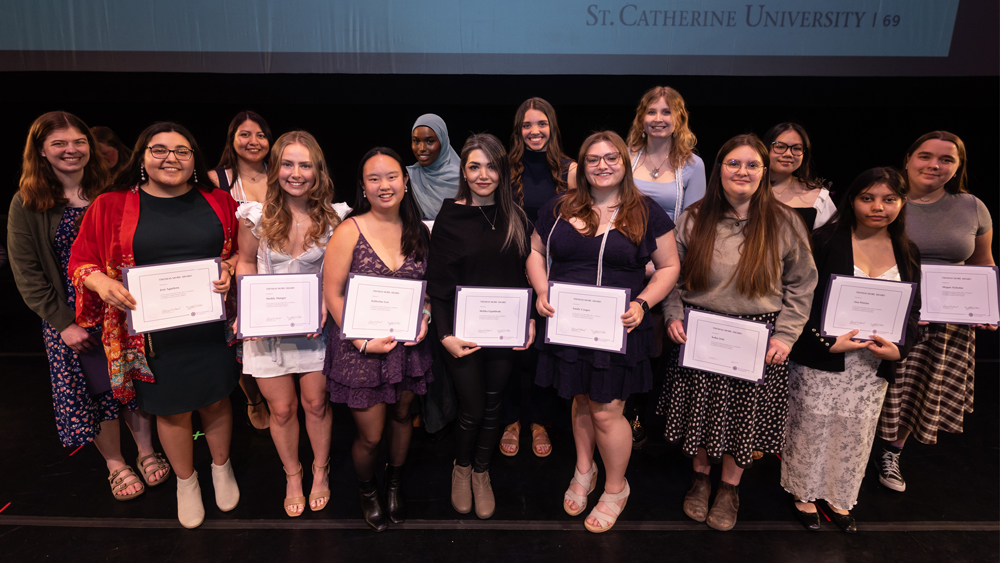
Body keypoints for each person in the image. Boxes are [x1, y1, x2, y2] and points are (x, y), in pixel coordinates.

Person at [69, 122, 241, 529]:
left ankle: (221, 467)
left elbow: (237, 252)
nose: (171, 159)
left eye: (182, 151)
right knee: (171, 409)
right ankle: (187, 481)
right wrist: (102, 282)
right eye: (159, 150)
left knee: (217, 399)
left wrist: (231, 270)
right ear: (142, 157)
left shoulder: (218, 200)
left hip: (208, 327)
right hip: (149, 334)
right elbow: (81, 262)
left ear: (194, 159)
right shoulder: (111, 204)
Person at [657, 133, 817, 532]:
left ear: (764, 172)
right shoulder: (694, 217)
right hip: (699, 332)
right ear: (720, 170)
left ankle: (729, 488)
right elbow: (670, 273)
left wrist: (786, 335)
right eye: (733, 164)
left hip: (758, 338)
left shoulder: (785, 222)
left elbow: (802, 284)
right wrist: (673, 314)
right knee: (702, 415)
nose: (742, 172)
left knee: (742, 420)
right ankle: (700, 478)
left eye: (751, 165)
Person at [9, 111, 170, 502]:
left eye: (78, 141)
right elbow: (27, 272)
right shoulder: (27, 202)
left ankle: (147, 451)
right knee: (94, 390)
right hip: (71, 316)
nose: (71, 150)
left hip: (122, 307)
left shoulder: (114, 188)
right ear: (42, 152)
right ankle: (116, 463)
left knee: (132, 383)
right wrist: (63, 323)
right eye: (59, 144)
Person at [526, 131, 681, 533]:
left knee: (607, 410)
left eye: (611, 157)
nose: (602, 165)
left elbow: (669, 268)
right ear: (581, 165)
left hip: (618, 328)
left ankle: (615, 488)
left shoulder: (647, 212)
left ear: (624, 164)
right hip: (568, 325)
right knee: (579, 400)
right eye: (593, 159)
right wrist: (541, 291)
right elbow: (536, 253)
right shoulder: (558, 208)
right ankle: (584, 470)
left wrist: (643, 303)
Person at [783, 167, 922, 533]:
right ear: (852, 200)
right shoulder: (825, 240)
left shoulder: (908, 251)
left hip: (870, 366)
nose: (879, 207)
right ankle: (802, 492)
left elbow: (913, 311)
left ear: (901, 203)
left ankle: (839, 496)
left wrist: (899, 349)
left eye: (889, 199)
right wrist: (825, 341)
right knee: (810, 425)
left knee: (856, 432)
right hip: (822, 357)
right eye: (868, 198)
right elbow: (800, 300)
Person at [234, 131, 347, 517]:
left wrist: (326, 306)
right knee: (281, 410)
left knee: (316, 404)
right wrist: (246, 308)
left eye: (305, 165)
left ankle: (319, 470)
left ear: (317, 170)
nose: (295, 173)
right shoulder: (255, 215)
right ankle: (293, 475)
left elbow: (339, 275)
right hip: (268, 330)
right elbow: (245, 263)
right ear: (276, 167)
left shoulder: (335, 217)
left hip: (316, 329)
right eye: (287, 163)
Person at [875, 131, 996, 492]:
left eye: (947, 159)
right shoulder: (886, 201)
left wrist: (986, 307)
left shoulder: (972, 206)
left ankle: (892, 453)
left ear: (958, 166)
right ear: (909, 158)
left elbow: (982, 262)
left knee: (916, 392)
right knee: (877, 387)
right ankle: (856, 451)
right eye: (926, 156)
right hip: (891, 311)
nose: (935, 165)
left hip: (947, 321)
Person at [323, 147, 433, 532]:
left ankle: (394, 485)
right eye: (374, 178)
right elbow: (332, 294)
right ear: (363, 187)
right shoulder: (348, 230)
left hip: (407, 349)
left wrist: (427, 317)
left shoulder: (420, 230)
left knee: (403, 416)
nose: (384, 185)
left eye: (392, 176)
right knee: (370, 436)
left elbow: (427, 292)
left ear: (405, 181)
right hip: (361, 352)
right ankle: (368, 490)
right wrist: (360, 342)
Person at [426, 133, 535, 519]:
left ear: (502, 171)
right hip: (461, 333)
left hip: (504, 334)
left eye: (491, 166)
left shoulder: (517, 217)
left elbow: (525, 278)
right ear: (464, 171)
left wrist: (531, 319)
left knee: (493, 405)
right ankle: (462, 468)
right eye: (474, 166)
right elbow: (437, 286)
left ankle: (482, 471)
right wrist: (444, 336)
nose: (483, 174)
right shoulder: (450, 216)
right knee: (471, 408)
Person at [624, 86, 708, 448]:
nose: (658, 119)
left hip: (665, 268)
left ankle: (641, 414)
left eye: (666, 112)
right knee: (621, 342)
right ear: (642, 118)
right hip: (623, 265)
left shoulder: (692, 165)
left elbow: (692, 223)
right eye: (652, 112)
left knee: (653, 347)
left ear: (678, 120)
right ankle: (620, 412)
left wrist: (664, 267)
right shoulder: (624, 157)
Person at [500, 97, 577, 458]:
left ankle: (541, 420)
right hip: (510, 269)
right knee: (513, 348)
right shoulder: (504, 168)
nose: (535, 131)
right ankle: (513, 419)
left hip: (554, 271)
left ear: (552, 127)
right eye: (527, 125)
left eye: (541, 124)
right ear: (518, 131)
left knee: (547, 346)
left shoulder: (571, 170)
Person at [208, 110, 274, 431]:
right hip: (238, 278)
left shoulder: (284, 174)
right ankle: (254, 399)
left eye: (260, 135)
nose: (253, 141)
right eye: (245, 134)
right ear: (232, 140)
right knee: (244, 347)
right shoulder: (216, 181)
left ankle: (280, 401)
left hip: (282, 276)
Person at [762, 123, 836, 230]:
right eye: (780, 146)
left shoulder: (818, 196)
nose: (788, 153)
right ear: (766, 148)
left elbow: (832, 240)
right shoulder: (748, 189)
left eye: (796, 148)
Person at [407, 114, 460, 220]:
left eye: (430, 141)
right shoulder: (407, 176)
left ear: (443, 142)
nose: (421, 148)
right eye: (416, 141)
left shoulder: (466, 177)